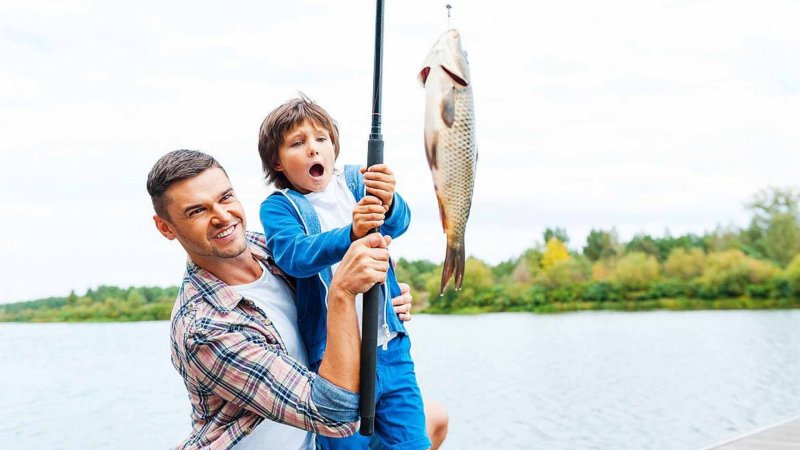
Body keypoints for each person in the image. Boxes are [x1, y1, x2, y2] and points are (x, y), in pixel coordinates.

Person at [147, 150, 447, 450]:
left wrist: (381, 301)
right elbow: (334, 415)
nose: (222, 217)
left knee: (433, 418)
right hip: (321, 423)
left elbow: (324, 263)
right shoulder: (204, 327)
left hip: (317, 439)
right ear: (166, 227)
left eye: (226, 197)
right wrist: (343, 293)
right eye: (197, 211)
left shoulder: (269, 249)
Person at [257, 97, 430, 450]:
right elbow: (295, 255)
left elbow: (399, 223)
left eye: (321, 139)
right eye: (297, 143)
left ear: (334, 147)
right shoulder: (279, 206)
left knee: (410, 441)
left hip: (389, 345)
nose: (312, 150)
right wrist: (350, 234)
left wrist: (389, 200)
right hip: (334, 359)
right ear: (277, 162)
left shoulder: (356, 179)